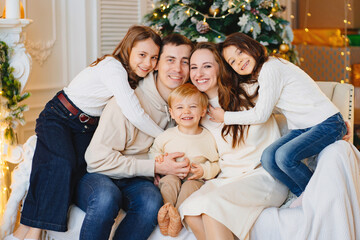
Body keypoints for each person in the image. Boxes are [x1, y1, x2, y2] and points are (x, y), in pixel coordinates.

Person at [7, 25, 164, 240]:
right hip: (60, 116)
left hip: (85, 127)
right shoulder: (113, 67)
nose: (148, 63)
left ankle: (22, 232)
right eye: (142, 55)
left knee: (75, 170)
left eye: (154, 58)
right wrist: (163, 136)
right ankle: (34, 232)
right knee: (61, 164)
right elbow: (134, 113)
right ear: (128, 49)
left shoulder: (133, 77)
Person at [74, 34, 194, 240]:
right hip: (100, 175)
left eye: (185, 62)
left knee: (150, 202)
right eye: (171, 60)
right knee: (105, 198)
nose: (178, 69)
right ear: (156, 64)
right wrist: (155, 167)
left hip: (136, 180)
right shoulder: (127, 103)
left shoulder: (184, 107)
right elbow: (96, 161)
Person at [208, 32, 347, 200]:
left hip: (327, 123)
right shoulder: (260, 75)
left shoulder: (271, 67)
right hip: (303, 127)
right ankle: (303, 195)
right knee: (268, 158)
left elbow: (261, 115)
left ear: (251, 47)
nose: (239, 60)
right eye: (232, 61)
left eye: (240, 52)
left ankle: (316, 198)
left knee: (284, 156)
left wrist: (225, 117)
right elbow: (262, 102)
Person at [179, 42, 288, 240]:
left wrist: (328, 126)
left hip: (263, 176)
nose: (199, 73)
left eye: (207, 66)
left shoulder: (250, 91)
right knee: (191, 213)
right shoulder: (197, 110)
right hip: (228, 178)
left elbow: (292, 106)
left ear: (221, 67)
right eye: (194, 67)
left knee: (213, 210)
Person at [150, 83, 219, 237]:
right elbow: (153, 152)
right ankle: (166, 212)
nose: (186, 111)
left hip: (194, 179)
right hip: (170, 175)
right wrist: (158, 159)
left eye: (192, 107)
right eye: (179, 108)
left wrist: (204, 170)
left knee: (189, 188)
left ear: (203, 111)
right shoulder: (167, 136)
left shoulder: (207, 138)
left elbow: (216, 163)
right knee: (169, 182)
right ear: (172, 113)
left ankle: (178, 218)